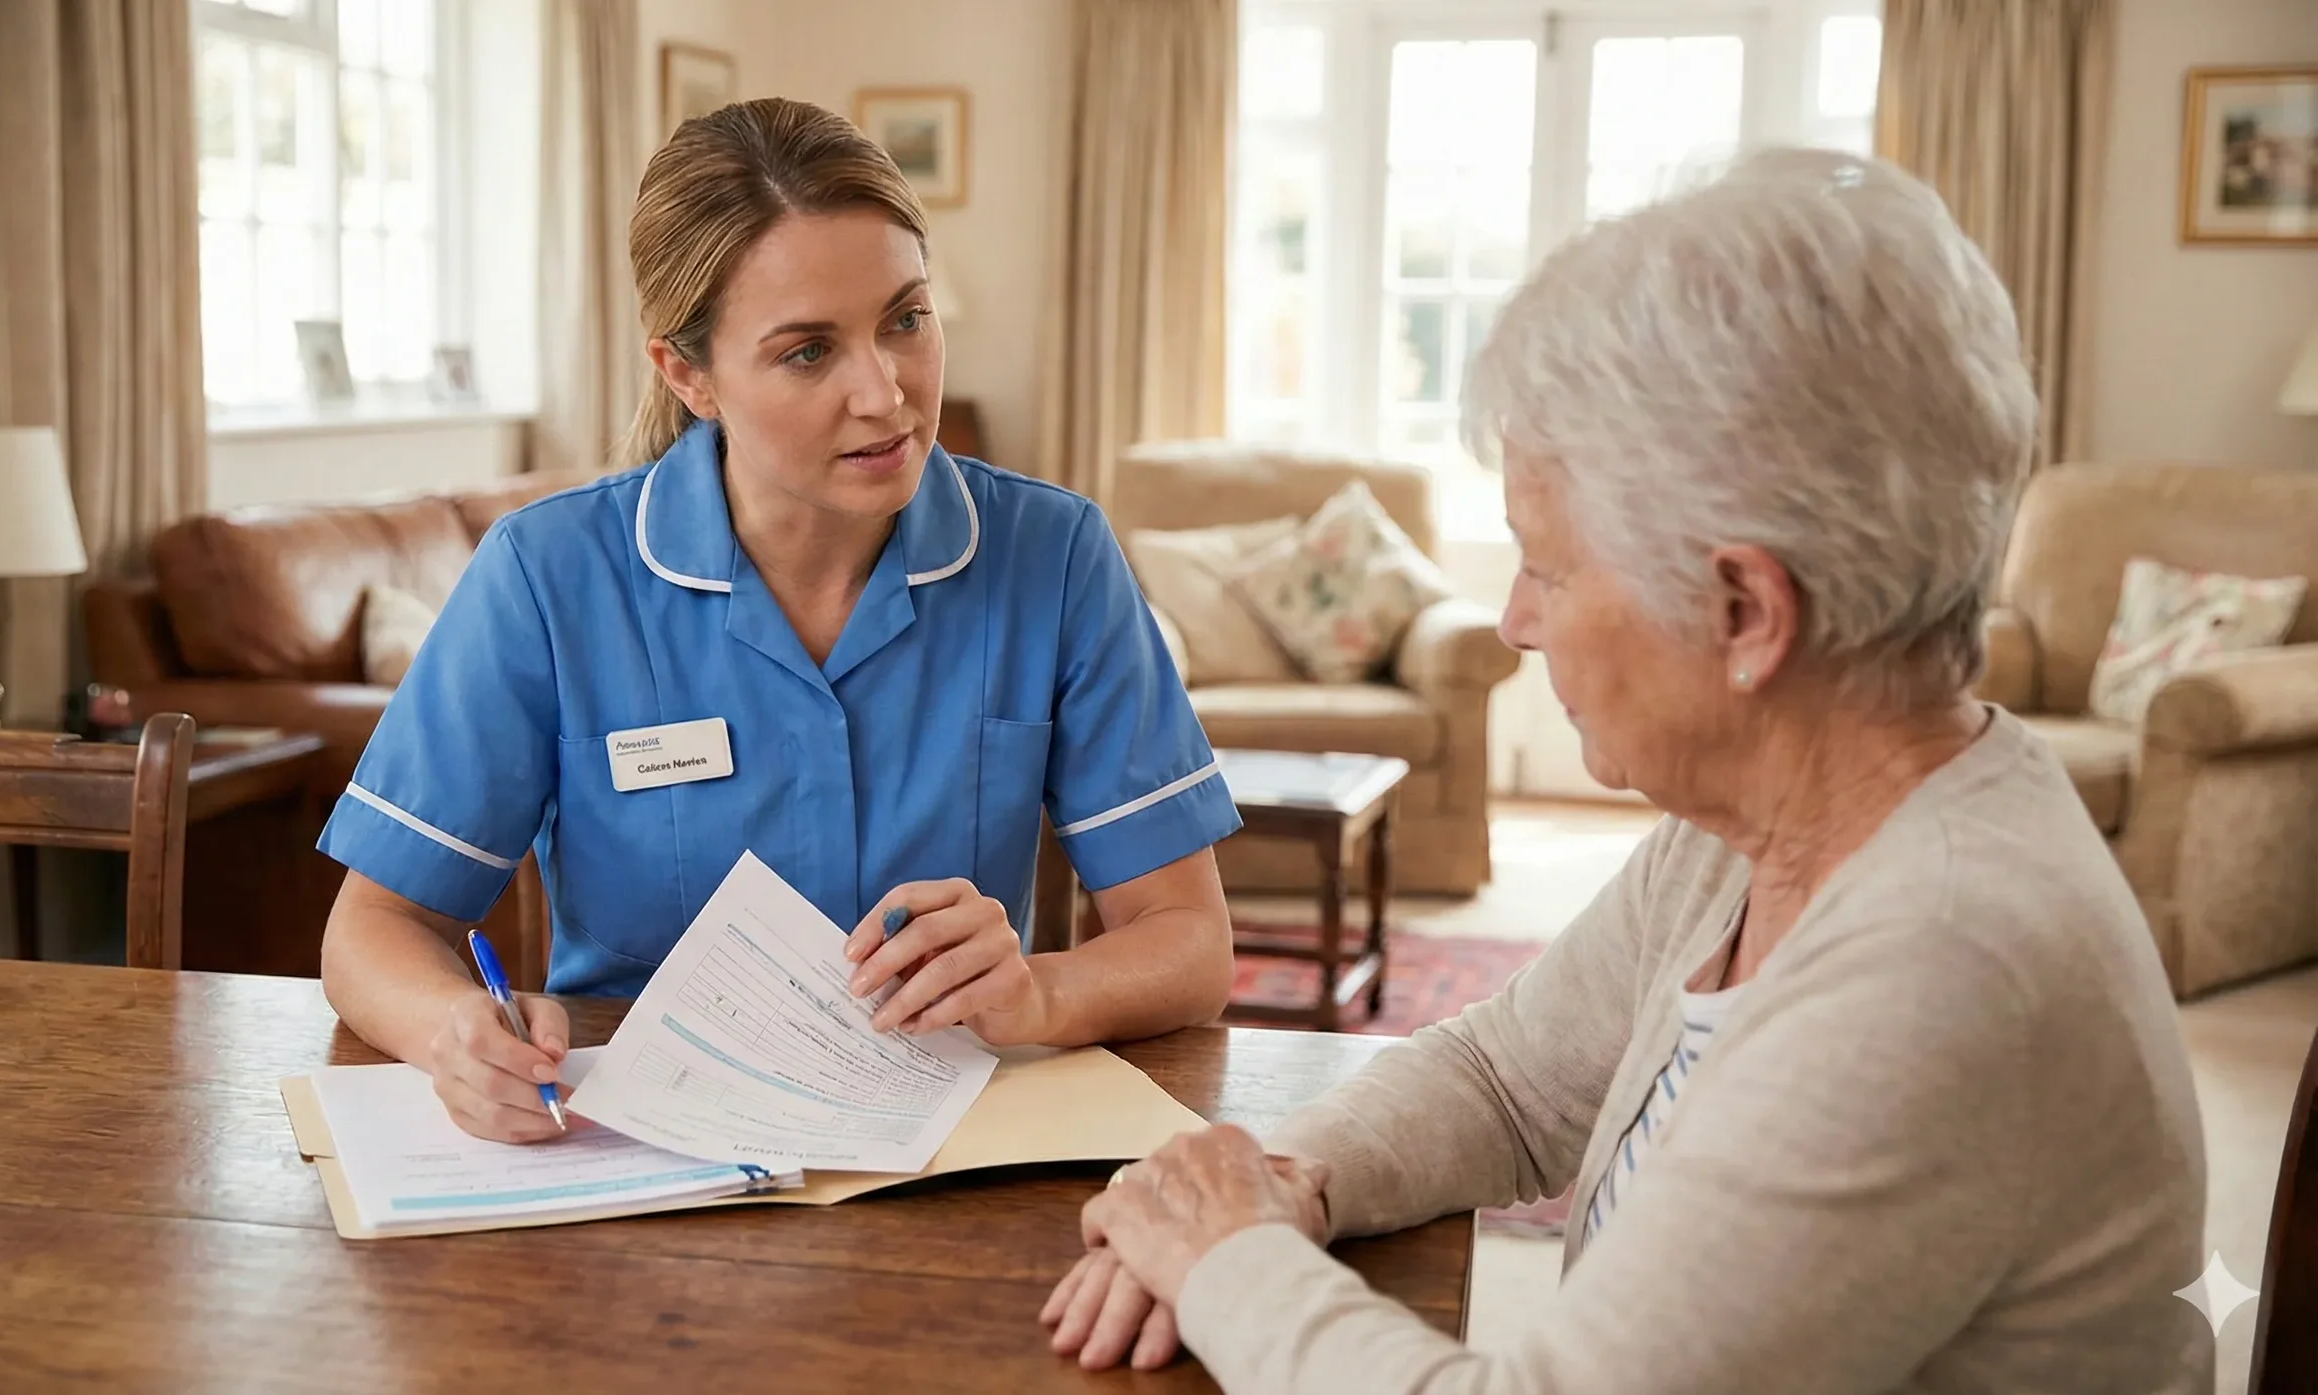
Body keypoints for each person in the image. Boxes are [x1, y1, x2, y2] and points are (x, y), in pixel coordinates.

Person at [1042, 149, 2212, 1393]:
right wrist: (1284, 1182)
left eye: (1547, 568)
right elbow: (1505, 1079)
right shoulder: (1758, 826)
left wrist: (1228, 1263)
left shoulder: (1939, 967)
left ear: (1744, 612)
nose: (1513, 622)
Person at [317, 97, 1242, 1144]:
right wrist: (452, 1030)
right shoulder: (546, 578)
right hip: (640, 1160)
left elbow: (1186, 941)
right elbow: (374, 929)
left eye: (906, 319)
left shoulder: (1055, 557)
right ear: (688, 374)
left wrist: (1040, 991)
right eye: (809, 351)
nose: (885, 395)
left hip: (953, 1153)